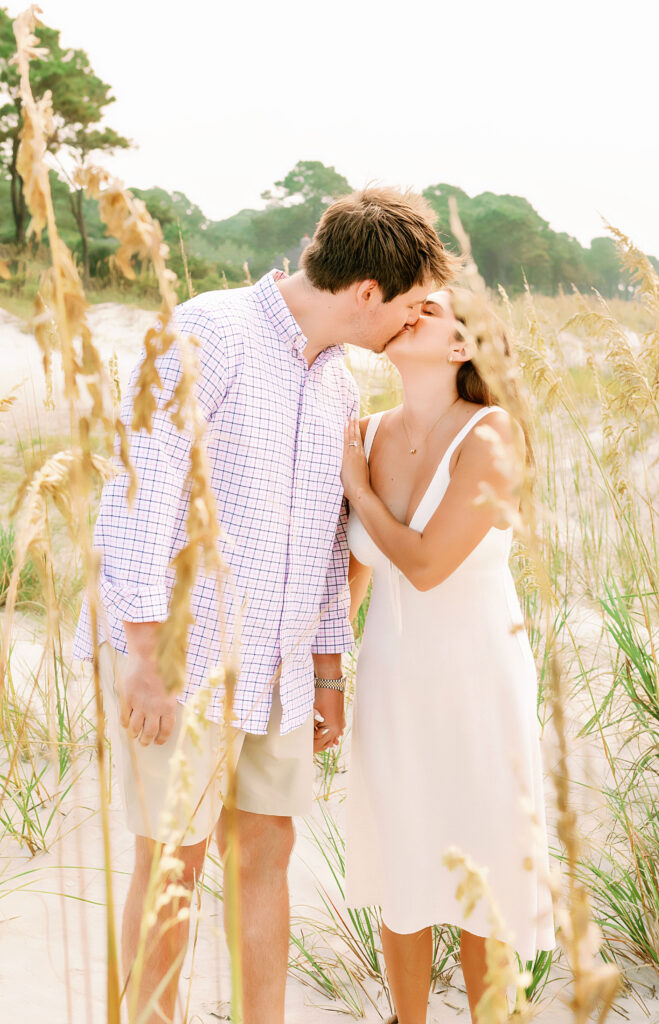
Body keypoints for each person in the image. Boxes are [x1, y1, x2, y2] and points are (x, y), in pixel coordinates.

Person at [71, 188, 456, 1024]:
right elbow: (140, 495)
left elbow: (325, 547)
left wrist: (326, 673)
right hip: (178, 657)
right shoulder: (208, 332)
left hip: (278, 673)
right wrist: (141, 658)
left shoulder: (339, 389)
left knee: (266, 852)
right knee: (173, 858)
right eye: (406, 306)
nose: (407, 325)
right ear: (367, 295)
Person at [341, 287, 556, 1024]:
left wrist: (359, 494)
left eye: (427, 311)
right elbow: (353, 583)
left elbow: (428, 565)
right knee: (403, 863)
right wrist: (321, 680)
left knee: (480, 869)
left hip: (477, 684)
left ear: (460, 347)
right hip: (391, 684)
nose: (408, 312)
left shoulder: (492, 433)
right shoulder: (363, 431)